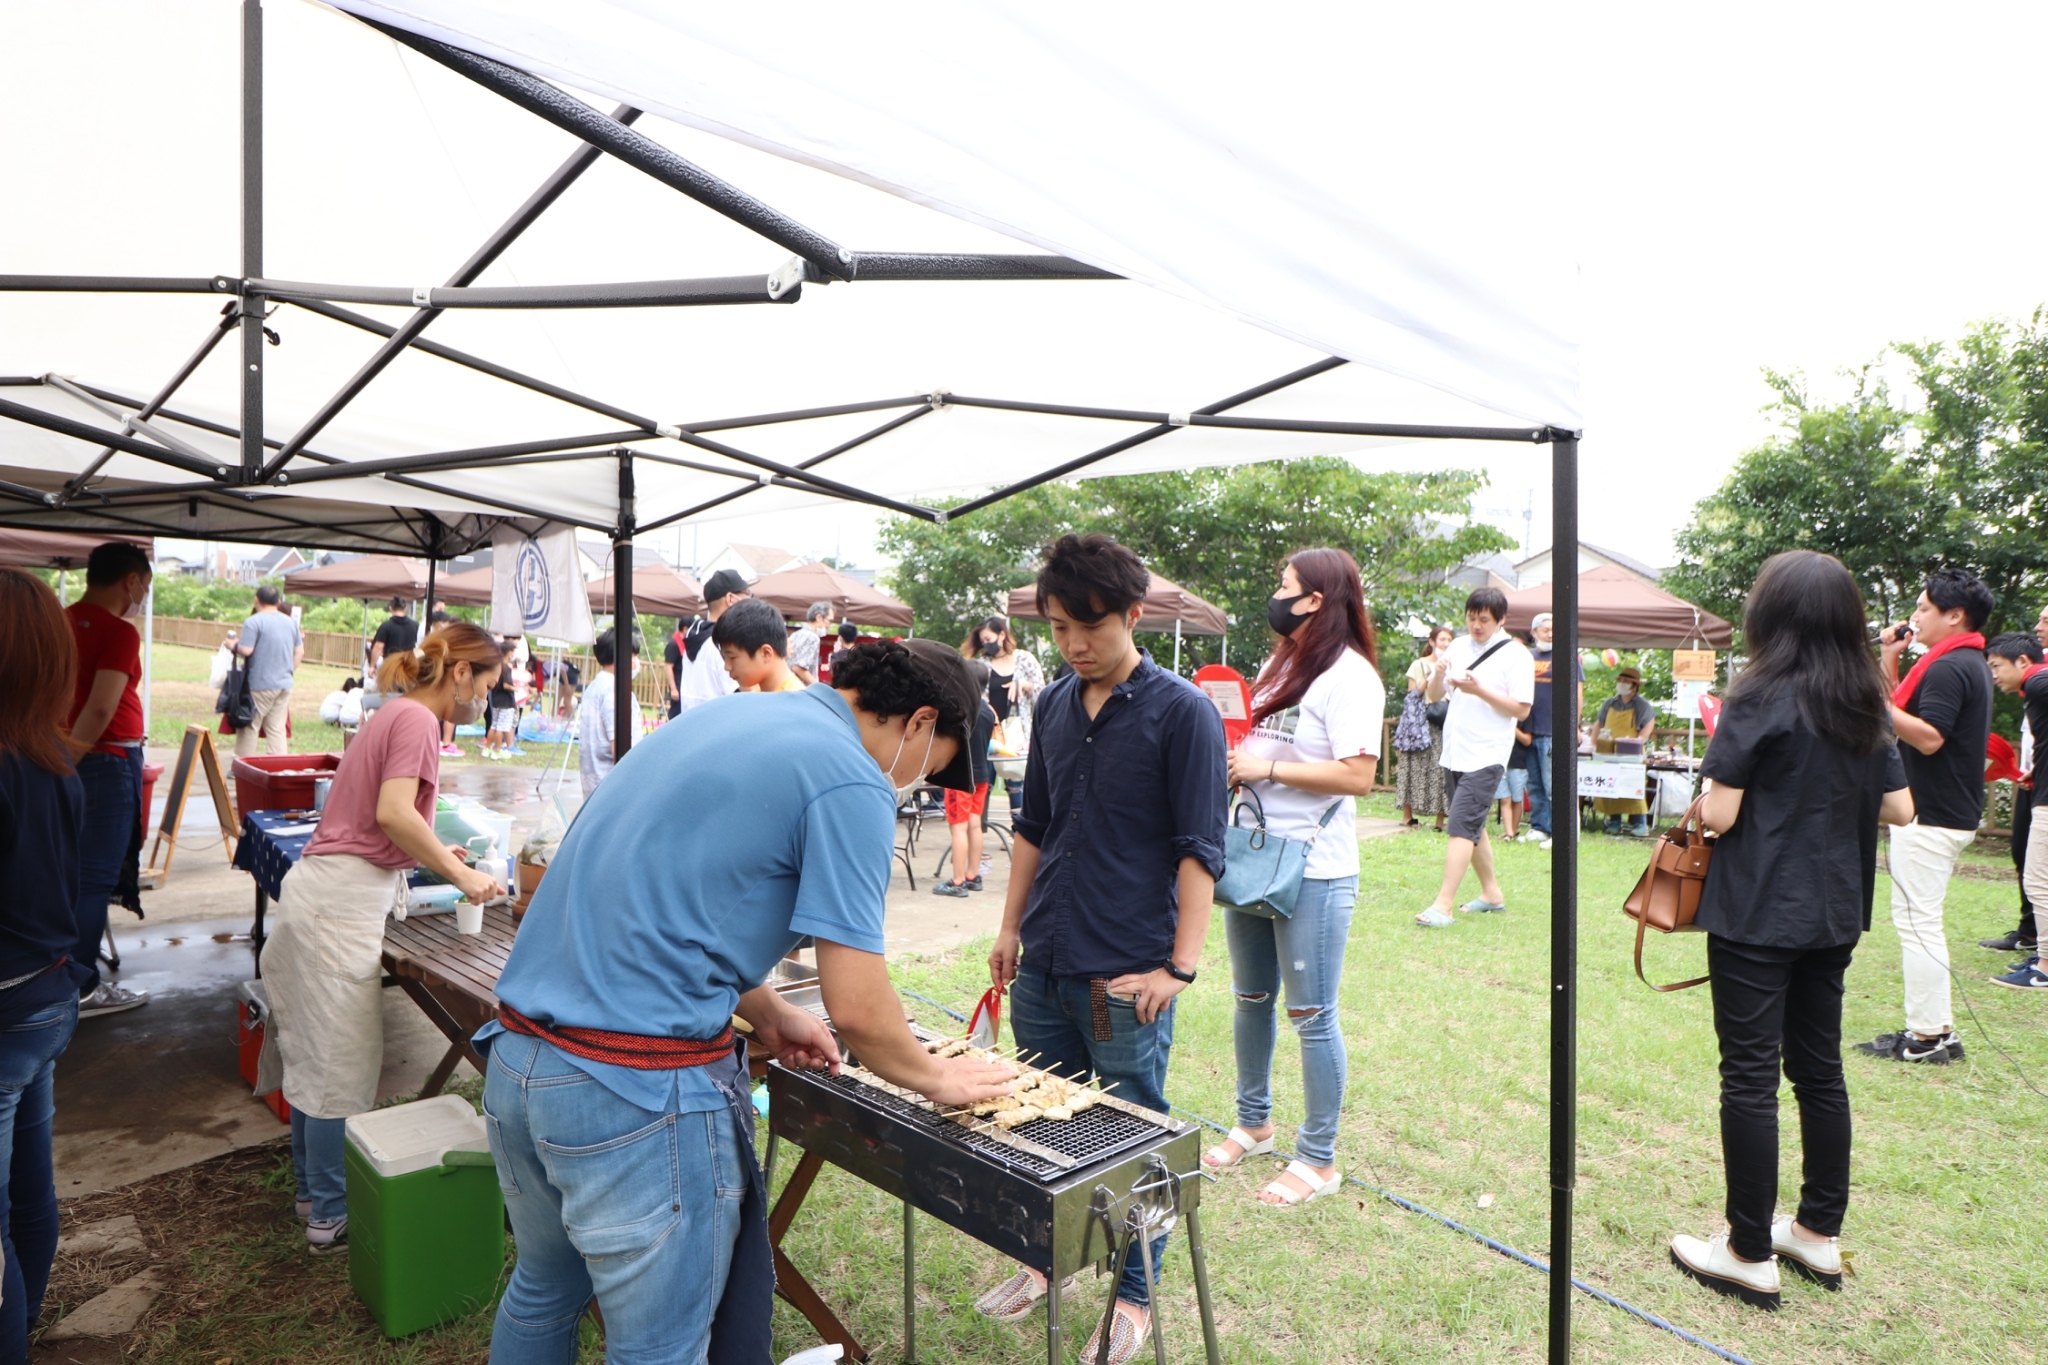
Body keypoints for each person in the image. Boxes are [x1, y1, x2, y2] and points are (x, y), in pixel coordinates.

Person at [476, 638, 1012, 1363]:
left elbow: (664, 905)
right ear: (917, 722)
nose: (922, 784)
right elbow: (855, 1002)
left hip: (517, 1063)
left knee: (544, 1286)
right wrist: (940, 1076)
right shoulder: (851, 777)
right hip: (629, 1090)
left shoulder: (724, 718)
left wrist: (766, 1010)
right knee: (659, 1347)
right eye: (936, 764)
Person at [984, 535, 1226, 1364]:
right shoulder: (1052, 703)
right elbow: (1032, 827)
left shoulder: (1183, 710)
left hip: (1125, 972)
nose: (1075, 643)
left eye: (1090, 625)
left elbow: (1201, 846)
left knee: (1132, 1145)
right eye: (1058, 627)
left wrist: (1180, 966)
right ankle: (1045, 1259)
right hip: (1044, 959)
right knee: (1041, 1127)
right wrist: (1009, 927)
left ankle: (1135, 1298)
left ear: (1133, 613)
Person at [1669, 550, 1914, 1310]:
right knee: (1818, 1070)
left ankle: (1747, 1248)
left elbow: (1719, 814)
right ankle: (1814, 1231)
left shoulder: (1758, 694)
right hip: (1835, 909)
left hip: (1757, 912)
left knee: (1749, 1075)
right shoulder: (1866, 700)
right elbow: (1901, 809)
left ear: (1769, 615)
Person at [263, 623, 506, 1250]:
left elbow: (389, 821)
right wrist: (461, 874)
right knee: (337, 1066)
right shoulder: (420, 722)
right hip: (336, 906)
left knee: (315, 1055)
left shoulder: (394, 712)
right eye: (485, 685)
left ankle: (312, 1195)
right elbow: (392, 813)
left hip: (325, 896)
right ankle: (331, 1215)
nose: (483, 701)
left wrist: (430, 852)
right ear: (460, 674)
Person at [1205, 548, 1382, 1207]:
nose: (1275, 595)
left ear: (1315, 599)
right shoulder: (1282, 662)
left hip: (1315, 868)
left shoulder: (1350, 676)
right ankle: (1253, 1121)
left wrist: (1267, 771)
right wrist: (1238, 757)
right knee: (1250, 997)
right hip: (1254, 855)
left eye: (1285, 586)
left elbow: (1358, 774)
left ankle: (1318, 1156)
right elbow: (1262, 742)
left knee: (1311, 1013)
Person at [0, 571, 97, 1354]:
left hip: (11, 1007)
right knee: (30, 1191)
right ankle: (23, 1323)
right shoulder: (57, 764)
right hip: (46, 999)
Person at [1854, 568, 1995, 1065]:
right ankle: (1935, 1031)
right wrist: (1890, 659)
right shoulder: (1962, 660)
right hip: (1943, 811)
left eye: (1923, 609)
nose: (1914, 617)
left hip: (1932, 814)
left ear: (1954, 616)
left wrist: (1866, 699)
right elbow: (1907, 714)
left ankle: (1927, 1037)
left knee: (1917, 924)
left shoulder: (1949, 667)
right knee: (1920, 921)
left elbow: (1928, 736)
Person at [64, 541, 154, 1018]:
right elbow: (101, 706)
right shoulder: (119, 632)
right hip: (104, 761)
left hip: (70, 757)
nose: (142, 596)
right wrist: (70, 755)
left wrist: (59, 755)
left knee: (68, 875)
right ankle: (79, 988)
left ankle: (60, 976)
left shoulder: (58, 620)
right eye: (144, 585)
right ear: (131, 581)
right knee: (94, 880)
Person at [1416, 589, 1534, 927]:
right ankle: (1491, 893)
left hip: (1488, 753)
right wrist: (1438, 673)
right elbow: (1436, 696)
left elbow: (1522, 708)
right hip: (1455, 751)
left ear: (1501, 620)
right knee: (1472, 824)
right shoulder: (1457, 647)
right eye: (1472, 618)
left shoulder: (1516, 655)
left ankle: (1443, 905)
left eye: (1484, 619)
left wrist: (1479, 689)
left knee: (1460, 826)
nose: (1477, 625)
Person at [1983, 603, 2048, 957]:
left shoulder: (2038, 682)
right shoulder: (2036, 685)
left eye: (1995, 666)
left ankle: (2044, 967)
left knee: (2039, 881)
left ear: (2022, 661)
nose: (1993, 675)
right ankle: (2033, 942)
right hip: (2037, 783)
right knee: (2033, 873)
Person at [932, 658, 997, 897]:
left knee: (958, 830)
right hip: (982, 776)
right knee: (975, 825)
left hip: (960, 778)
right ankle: (973, 875)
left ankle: (957, 881)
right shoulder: (989, 711)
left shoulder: (959, 709)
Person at [1526, 611, 1581, 850]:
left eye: (1553, 629)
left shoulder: (1567, 657)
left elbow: (1577, 692)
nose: (1550, 633)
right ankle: (1540, 827)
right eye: (1545, 629)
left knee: (1553, 785)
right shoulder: (1526, 657)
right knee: (1535, 785)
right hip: (1529, 729)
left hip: (1555, 730)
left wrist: (1574, 725)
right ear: (1534, 632)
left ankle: (1562, 833)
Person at [234, 585, 304, 757]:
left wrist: (233, 645)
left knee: (250, 725)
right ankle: (278, 766)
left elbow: (246, 650)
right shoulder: (290, 622)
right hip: (284, 683)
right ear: (278, 602)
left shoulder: (254, 621)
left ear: (256, 600)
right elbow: (300, 652)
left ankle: (243, 767)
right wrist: (288, 670)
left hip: (260, 683)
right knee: (276, 728)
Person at [1395, 626, 1454, 831]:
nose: (1445, 644)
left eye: (1449, 640)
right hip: (1421, 721)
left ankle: (1440, 820)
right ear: (1431, 642)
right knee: (1413, 766)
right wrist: (1428, 679)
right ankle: (1407, 816)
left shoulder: (1454, 665)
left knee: (1441, 769)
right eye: (1442, 640)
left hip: (1444, 721)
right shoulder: (1418, 665)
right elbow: (1411, 697)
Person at [577, 628, 644, 797]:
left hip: (594, 781)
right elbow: (619, 745)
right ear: (622, 656)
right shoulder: (615, 691)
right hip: (613, 785)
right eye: (634, 656)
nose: (636, 662)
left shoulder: (595, 687)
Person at [1592, 665, 1658, 836]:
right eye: (1620, 680)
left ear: (1635, 685)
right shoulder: (1609, 703)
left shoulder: (1642, 705)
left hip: (1631, 752)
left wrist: (1638, 741)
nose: (1622, 684)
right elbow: (1598, 724)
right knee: (1612, 785)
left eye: (1626, 681)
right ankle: (1614, 821)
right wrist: (1594, 744)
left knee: (1633, 785)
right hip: (1608, 750)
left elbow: (1648, 725)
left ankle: (1640, 824)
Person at [674, 568, 750, 713]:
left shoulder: (694, 636)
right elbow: (742, 696)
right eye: (747, 595)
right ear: (730, 598)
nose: (750, 601)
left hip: (692, 724)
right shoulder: (723, 643)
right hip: (721, 727)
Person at [966, 616, 1046, 748]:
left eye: (988, 639)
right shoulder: (982, 665)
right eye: (983, 641)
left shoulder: (1025, 659)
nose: (986, 644)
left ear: (1002, 635)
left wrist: (1025, 685)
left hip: (1020, 735)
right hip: (992, 735)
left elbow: (1043, 696)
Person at [714, 597, 805, 693]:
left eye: (732, 657)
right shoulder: (760, 693)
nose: (727, 667)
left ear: (766, 653)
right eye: (725, 658)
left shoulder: (793, 703)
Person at [787, 600, 836, 685]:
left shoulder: (796, 634)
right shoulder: (812, 637)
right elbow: (798, 667)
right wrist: (817, 686)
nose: (830, 625)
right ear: (819, 617)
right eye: (830, 621)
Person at [366, 596, 417, 675]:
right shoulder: (416, 625)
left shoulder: (386, 626)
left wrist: (372, 666)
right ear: (405, 608)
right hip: (409, 667)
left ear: (390, 608)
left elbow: (378, 646)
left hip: (391, 667)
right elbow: (419, 646)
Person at [1498, 727, 1532, 840]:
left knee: (1516, 799)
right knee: (1504, 798)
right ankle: (1509, 832)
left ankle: (1514, 829)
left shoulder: (1524, 716)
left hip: (1518, 763)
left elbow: (1527, 740)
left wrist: (1512, 727)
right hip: (1500, 762)